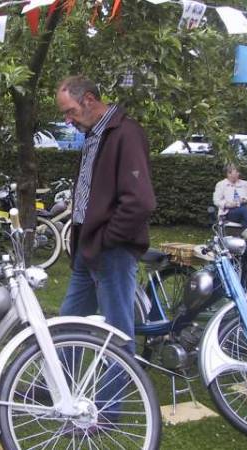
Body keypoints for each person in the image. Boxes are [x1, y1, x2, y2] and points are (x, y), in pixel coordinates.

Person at [55, 75, 156, 426]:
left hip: (110, 251)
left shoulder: (126, 133)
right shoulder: (95, 134)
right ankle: (56, 390)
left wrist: (108, 239)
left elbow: (140, 202)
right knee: (66, 324)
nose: (67, 119)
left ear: (90, 100)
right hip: (89, 249)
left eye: (69, 111)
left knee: (117, 335)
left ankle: (108, 412)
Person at [213, 163, 247, 228]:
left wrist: (244, 200)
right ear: (227, 174)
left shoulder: (246, 184)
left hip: (244, 211)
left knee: (246, 222)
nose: (234, 176)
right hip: (229, 212)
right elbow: (216, 200)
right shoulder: (221, 184)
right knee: (243, 210)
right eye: (231, 174)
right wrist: (227, 204)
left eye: (237, 173)